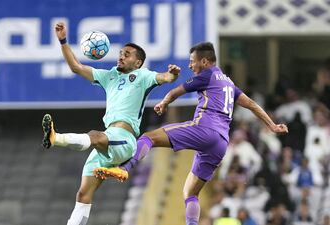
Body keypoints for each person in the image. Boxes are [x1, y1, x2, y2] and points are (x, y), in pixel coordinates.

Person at [94, 42, 288, 225]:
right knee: (190, 193)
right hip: (221, 143)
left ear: (204, 61)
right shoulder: (229, 82)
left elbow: (176, 91)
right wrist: (272, 125)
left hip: (204, 129)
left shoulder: (207, 75)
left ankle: (124, 168)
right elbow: (252, 105)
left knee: (148, 137)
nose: (190, 65)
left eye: (192, 61)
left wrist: (164, 103)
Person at [41, 22, 180, 225]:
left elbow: (165, 77)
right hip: (108, 140)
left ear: (138, 62)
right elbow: (76, 67)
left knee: (95, 136)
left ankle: (56, 138)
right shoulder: (109, 76)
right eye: (121, 52)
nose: (121, 56)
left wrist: (173, 74)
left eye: (127, 54)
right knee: (82, 194)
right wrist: (63, 40)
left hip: (124, 139)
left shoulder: (143, 76)